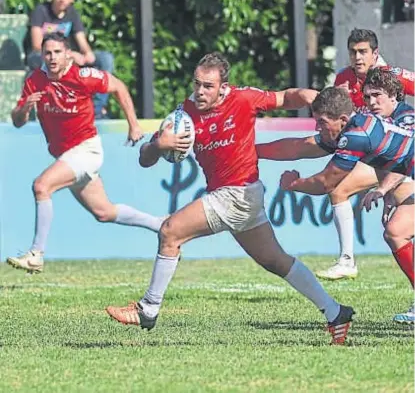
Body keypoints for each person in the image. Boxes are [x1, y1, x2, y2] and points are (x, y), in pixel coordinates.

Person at [105, 52, 355, 345]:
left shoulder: (244, 99)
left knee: (170, 232)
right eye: (197, 84)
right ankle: (336, 312)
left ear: (224, 87)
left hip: (238, 193)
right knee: (275, 261)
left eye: (208, 86)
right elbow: (144, 160)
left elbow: (286, 98)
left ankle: (148, 309)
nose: (200, 91)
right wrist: (159, 145)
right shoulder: (184, 113)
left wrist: (314, 97)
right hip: (238, 196)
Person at [257, 71, 414, 323]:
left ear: (341, 119)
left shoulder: (355, 136)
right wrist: (252, 151)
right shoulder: (351, 128)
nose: (317, 128)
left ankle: (347, 260)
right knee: (396, 231)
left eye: (320, 122)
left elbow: (325, 183)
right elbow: (298, 147)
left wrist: (293, 183)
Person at [7, 33, 164, 274]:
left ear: (68, 53)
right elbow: (17, 122)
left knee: (42, 186)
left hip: (86, 150)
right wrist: (25, 109)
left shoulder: (82, 75)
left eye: (57, 52)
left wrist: (134, 125)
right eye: (47, 53)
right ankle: (161, 225)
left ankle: (36, 254)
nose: (52, 57)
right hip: (66, 156)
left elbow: (118, 86)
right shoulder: (34, 81)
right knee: (104, 212)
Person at [314, 28, 415, 280]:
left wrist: (384, 188)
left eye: (363, 52)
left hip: (394, 155)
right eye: (352, 52)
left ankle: (347, 260)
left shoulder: (389, 77)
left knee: (338, 188)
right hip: (377, 158)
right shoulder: (343, 80)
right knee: (397, 228)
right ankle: (347, 259)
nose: (357, 57)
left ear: (375, 53)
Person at [26, 0, 114, 119]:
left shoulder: (72, 14)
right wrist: (70, 56)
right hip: (42, 56)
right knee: (41, 59)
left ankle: (96, 109)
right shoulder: (40, 11)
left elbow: (83, 43)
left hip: (67, 56)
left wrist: (87, 54)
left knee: (105, 59)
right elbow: (36, 45)